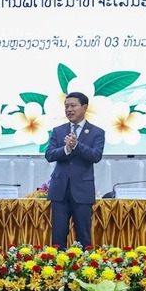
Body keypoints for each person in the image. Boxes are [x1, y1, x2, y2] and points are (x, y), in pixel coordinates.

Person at [44, 92, 105, 248]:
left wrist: (77, 145)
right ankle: (57, 263)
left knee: (83, 236)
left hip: (82, 191)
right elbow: (49, 155)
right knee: (58, 235)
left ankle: (84, 263)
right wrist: (66, 149)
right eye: (66, 106)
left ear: (84, 108)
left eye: (73, 106)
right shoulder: (58, 130)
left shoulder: (97, 132)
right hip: (60, 191)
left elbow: (96, 156)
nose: (69, 110)